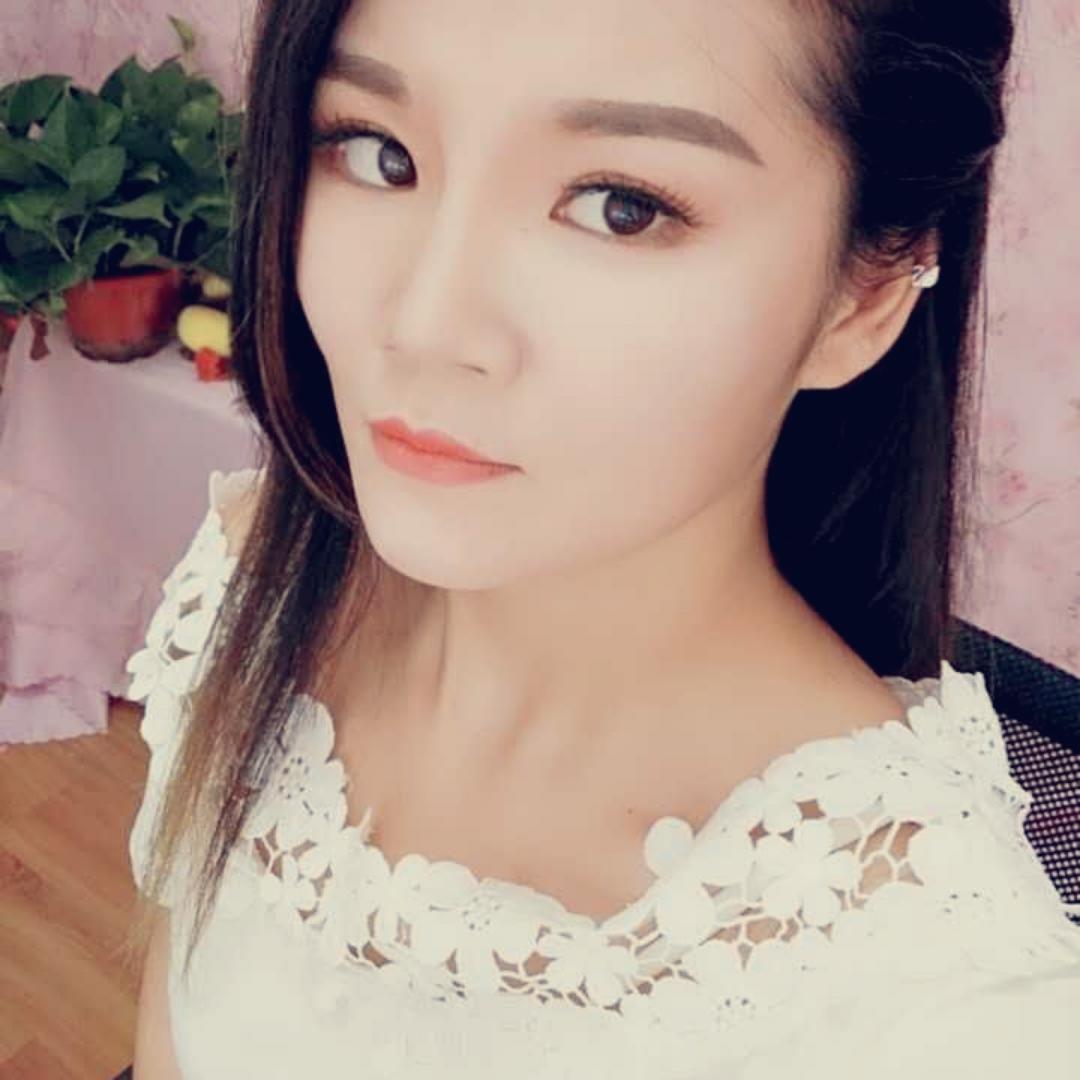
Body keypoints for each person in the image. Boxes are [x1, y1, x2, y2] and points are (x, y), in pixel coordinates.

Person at [125, 0, 1080, 1076]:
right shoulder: (254, 580)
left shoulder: (954, 1015)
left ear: (863, 295)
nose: (425, 324)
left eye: (621, 208)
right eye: (378, 153)